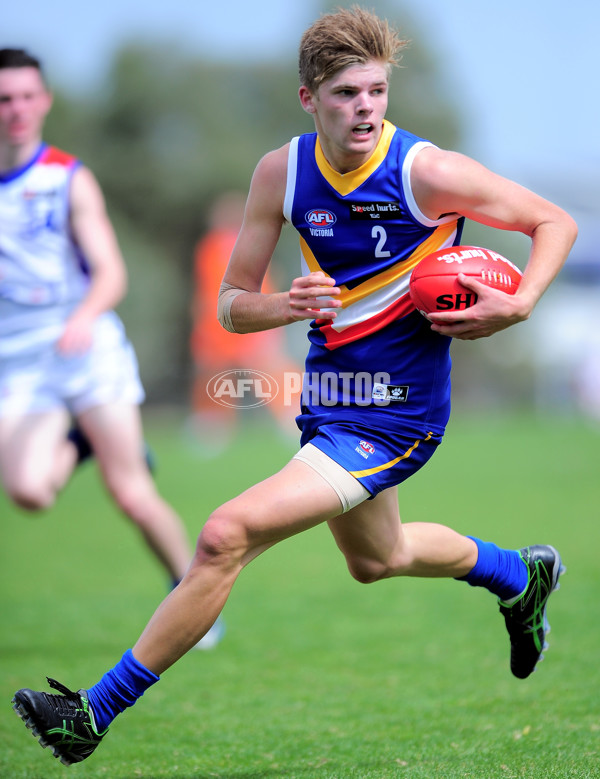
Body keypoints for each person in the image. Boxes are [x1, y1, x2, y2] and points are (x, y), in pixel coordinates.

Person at [12, 7, 578, 767]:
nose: (366, 108)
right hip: (331, 403)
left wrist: (520, 301)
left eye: (376, 90)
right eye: (346, 93)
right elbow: (230, 303)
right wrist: (285, 303)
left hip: (395, 413)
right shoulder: (282, 173)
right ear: (309, 98)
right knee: (378, 557)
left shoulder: (426, 172)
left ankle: (92, 712)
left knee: (223, 534)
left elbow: (553, 222)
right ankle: (521, 574)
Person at [0, 48, 223, 647]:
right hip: (19, 362)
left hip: (85, 345)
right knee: (28, 492)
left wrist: (82, 317)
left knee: (131, 493)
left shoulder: (67, 178)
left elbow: (111, 274)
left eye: (26, 96)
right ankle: (80, 441)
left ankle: (194, 602)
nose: (16, 109)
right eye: (4, 99)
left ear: (43, 101)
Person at [188, 190, 300, 451]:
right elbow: (204, 289)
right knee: (216, 373)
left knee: (268, 368)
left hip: (250, 316)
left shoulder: (250, 242)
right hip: (218, 321)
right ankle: (212, 425)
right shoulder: (210, 247)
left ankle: (294, 414)